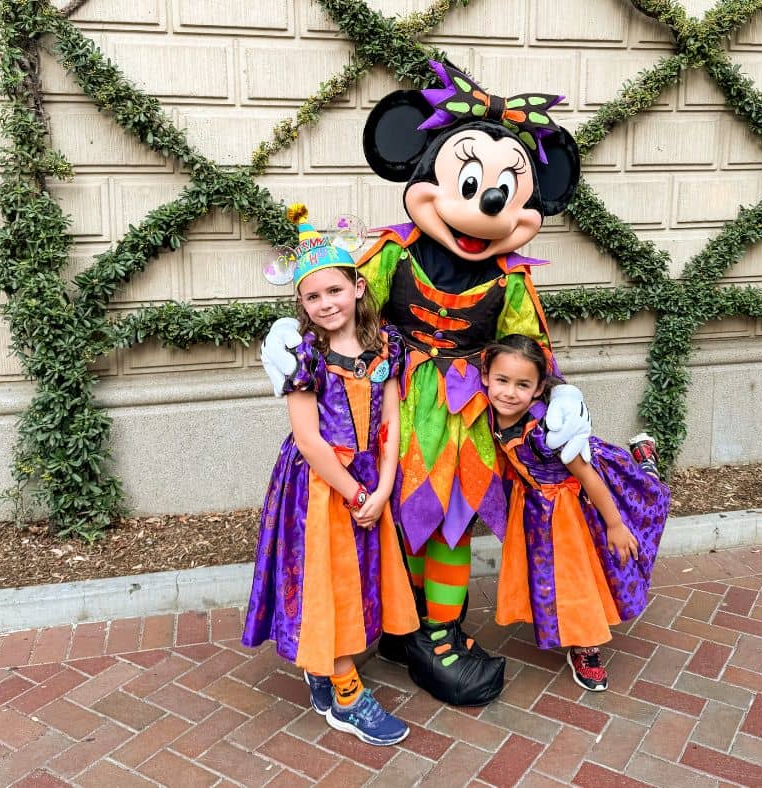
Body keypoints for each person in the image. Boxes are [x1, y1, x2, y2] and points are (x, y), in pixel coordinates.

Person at [260, 61, 592, 707]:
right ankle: (407, 622)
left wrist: (557, 389)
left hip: (467, 415)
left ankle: (438, 630)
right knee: (397, 519)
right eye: (468, 181)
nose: (485, 205)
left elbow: (529, 348)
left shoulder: (511, 280)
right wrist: (291, 334)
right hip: (391, 402)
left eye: (506, 189)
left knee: (452, 522)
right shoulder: (389, 254)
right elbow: (341, 307)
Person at [242, 206, 418, 745]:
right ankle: (345, 690)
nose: (326, 304)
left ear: (357, 287)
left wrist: (383, 488)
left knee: (354, 579)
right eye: (312, 297)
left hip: (369, 481)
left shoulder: (385, 347)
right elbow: (308, 438)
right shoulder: (304, 357)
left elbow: (390, 422)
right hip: (321, 487)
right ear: (300, 303)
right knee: (329, 577)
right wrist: (354, 491)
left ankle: (324, 666)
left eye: (334, 291)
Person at [482, 334, 670, 691]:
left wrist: (614, 525)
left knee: (640, 505)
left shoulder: (549, 431)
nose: (509, 392)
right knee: (547, 574)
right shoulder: (490, 412)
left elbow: (588, 474)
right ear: (486, 376)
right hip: (534, 507)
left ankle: (586, 646)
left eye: (523, 385)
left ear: (539, 390)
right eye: (502, 381)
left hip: (571, 506)